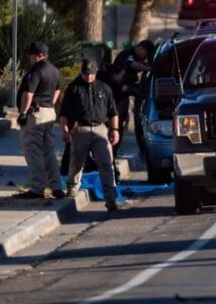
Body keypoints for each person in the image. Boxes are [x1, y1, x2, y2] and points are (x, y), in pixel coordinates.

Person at [59, 58, 121, 212]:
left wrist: (114, 129)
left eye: (92, 74)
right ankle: (72, 189)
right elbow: (64, 113)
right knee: (76, 163)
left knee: (106, 164)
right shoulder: (73, 89)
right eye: (86, 74)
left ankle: (111, 199)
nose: (89, 77)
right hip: (81, 129)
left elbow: (113, 112)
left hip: (101, 129)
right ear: (82, 72)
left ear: (96, 73)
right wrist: (65, 130)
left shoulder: (104, 88)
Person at [14, 42, 64, 199]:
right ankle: (56, 186)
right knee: (48, 151)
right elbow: (57, 92)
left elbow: (28, 94)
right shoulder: (55, 71)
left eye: (31, 54)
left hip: (35, 114)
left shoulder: (36, 70)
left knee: (33, 150)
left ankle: (37, 187)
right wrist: (49, 104)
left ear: (38, 55)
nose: (29, 57)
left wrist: (22, 113)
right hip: (49, 112)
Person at [111, 40, 154, 157]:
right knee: (117, 123)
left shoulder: (135, 57)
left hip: (123, 95)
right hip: (117, 94)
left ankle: (113, 152)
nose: (145, 57)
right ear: (141, 48)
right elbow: (132, 64)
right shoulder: (128, 55)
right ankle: (111, 152)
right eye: (145, 54)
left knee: (121, 122)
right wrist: (148, 68)